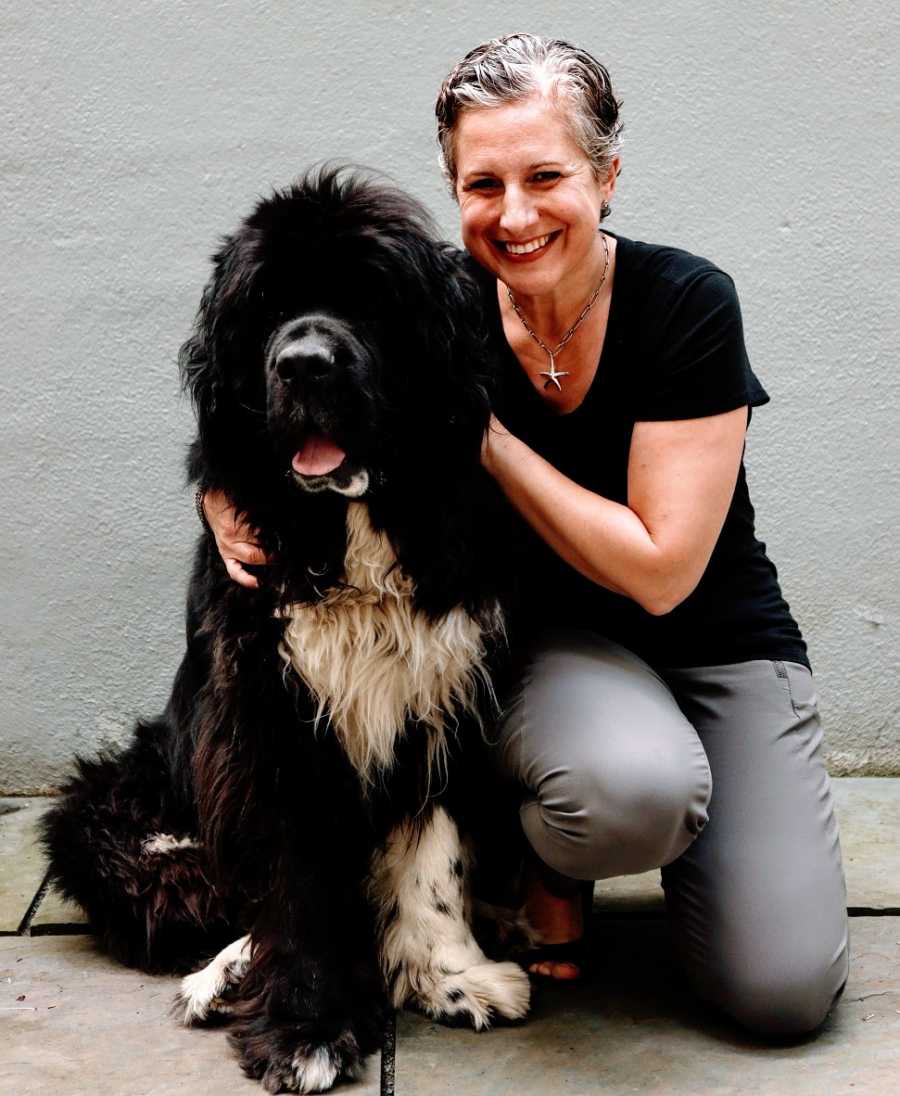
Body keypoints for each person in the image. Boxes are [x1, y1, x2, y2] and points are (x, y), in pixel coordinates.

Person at [199, 33, 849, 1039]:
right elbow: (263, 396)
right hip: (554, 652)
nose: (514, 213)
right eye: (481, 182)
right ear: (453, 188)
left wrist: (482, 431)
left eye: (546, 176)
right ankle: (558, 862)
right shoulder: (429, 303)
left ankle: (660, 854)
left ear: (607, 176)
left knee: (781, 989)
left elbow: (664, 572)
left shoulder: (686, 305)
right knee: (626, 787)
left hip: (713, 645)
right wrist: (222, 497)